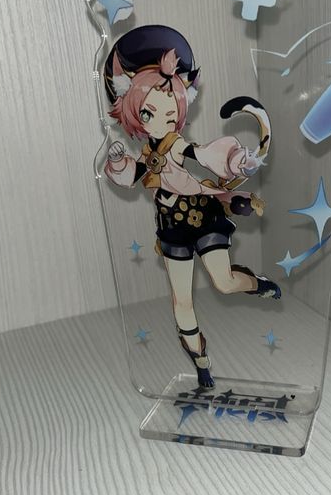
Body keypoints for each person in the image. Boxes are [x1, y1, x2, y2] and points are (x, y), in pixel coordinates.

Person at [103, 25, 280, 388]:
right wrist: (119, 162)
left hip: (202, 216)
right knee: (181, 302)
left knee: (224, 283)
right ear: (134, 112)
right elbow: (132, 175)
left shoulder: (175, 145)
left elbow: (201, 154)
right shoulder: (147, 153)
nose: (161, 121)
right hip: (171, 226)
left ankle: (257, 283)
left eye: (170, 114)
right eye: (149, 113)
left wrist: (236, 160)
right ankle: (201, 361)